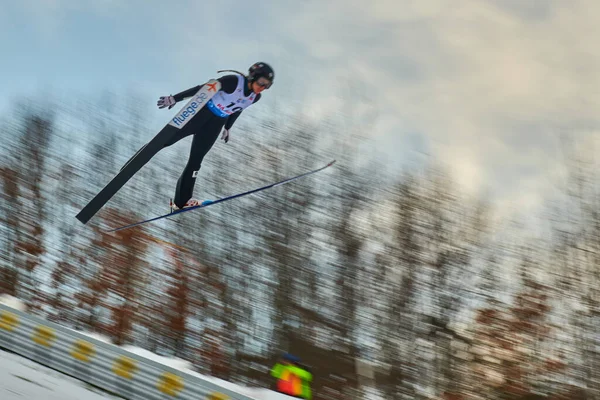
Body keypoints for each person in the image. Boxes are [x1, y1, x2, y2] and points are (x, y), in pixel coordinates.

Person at [150, 62, 274, 211]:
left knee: (196, 161)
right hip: (201, 114)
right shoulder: (233, 81)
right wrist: (176, 98)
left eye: (267, 86)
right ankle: (135, 163)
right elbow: (202, 89)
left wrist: (228, 127)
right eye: (262, 82)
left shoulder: (255, 97)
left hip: (216, 124)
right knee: (164, 142)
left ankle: (181, 201)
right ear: (253, 76)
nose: (262, 87)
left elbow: (237, 109)